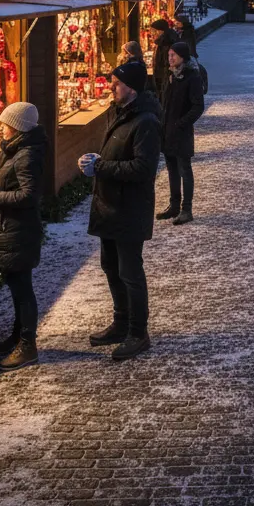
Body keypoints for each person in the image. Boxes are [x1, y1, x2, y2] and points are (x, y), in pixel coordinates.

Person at [82, 60, 162, 361]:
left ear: (131, 86)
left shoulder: (146, 122)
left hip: (129, 209)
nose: (111, 86)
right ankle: (120, 323)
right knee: (112, 269)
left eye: (116, 82)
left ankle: (138, 333)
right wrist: (95, 161)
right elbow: (115, 155)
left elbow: (143, 168)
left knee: (130, 272)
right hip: (109, 206)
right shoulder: (118, 113)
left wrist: (100, 166)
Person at [0, 101, 47, 371]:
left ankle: (27, 345)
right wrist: (4, 149)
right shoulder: (19, 150)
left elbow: (29, 195)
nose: (1, 129)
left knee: (22, 287)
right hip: (13, 228)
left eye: (5, 125)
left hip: (19, 230)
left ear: (17, 128)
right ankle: (18, 335)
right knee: (15, 283)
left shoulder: (27, 155)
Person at [157, 41, 205, 225]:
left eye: (173, 55)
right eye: (169, 55)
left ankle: (187, 209)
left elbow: (198, 106)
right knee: (172, 170)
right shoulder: (173, 76)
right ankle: (174, 205)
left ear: (182, 57)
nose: (170, 58)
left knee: (185, 170)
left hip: (181, 132)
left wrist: (181, 123)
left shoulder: (192, 77)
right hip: (168, 130)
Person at [150, 19, 179, 98]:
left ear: (160, 31)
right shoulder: (161, 43)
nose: (152, 34)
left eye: (153, 31)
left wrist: (165, 84)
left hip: (165, 82)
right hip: (163, 81)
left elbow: (168, 66)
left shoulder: (166, 44)